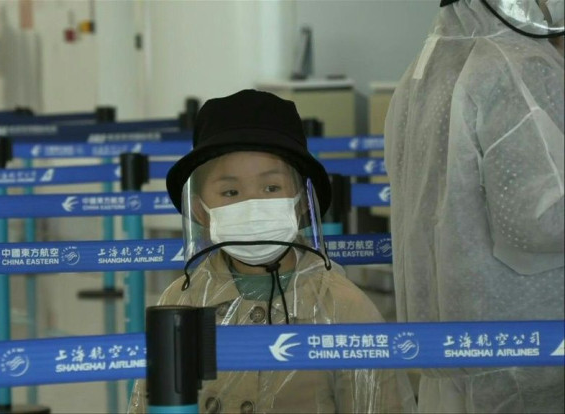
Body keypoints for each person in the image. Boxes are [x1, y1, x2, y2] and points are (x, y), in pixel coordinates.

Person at [128, 89, 417, 413]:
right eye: (230, 191)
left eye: (271, 188)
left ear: (300, 202)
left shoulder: (343, 308)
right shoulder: (182, 304)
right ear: (200, 210)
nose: (253, 205)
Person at [384, 0, 564, 412]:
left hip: (450, 348)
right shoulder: (515, 63)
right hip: (525, 354)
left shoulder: (426, 64)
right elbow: (539, 220)